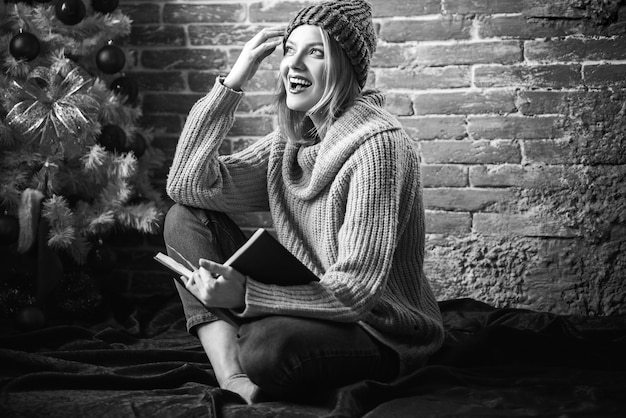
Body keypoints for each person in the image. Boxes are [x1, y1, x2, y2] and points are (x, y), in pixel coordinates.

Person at [164, 0, 444, 404]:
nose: (294, 65)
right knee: (184, 218)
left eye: (315, 53)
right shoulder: (290, 143)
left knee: (266, 346)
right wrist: (232, 85)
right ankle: (235, 380)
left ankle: (261, 357)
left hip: (376, 326)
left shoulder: (379, 147)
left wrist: (246, 294)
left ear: (345, 67)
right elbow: (188, 184)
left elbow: (355, 290)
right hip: (307, 300)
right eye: (289, 50)